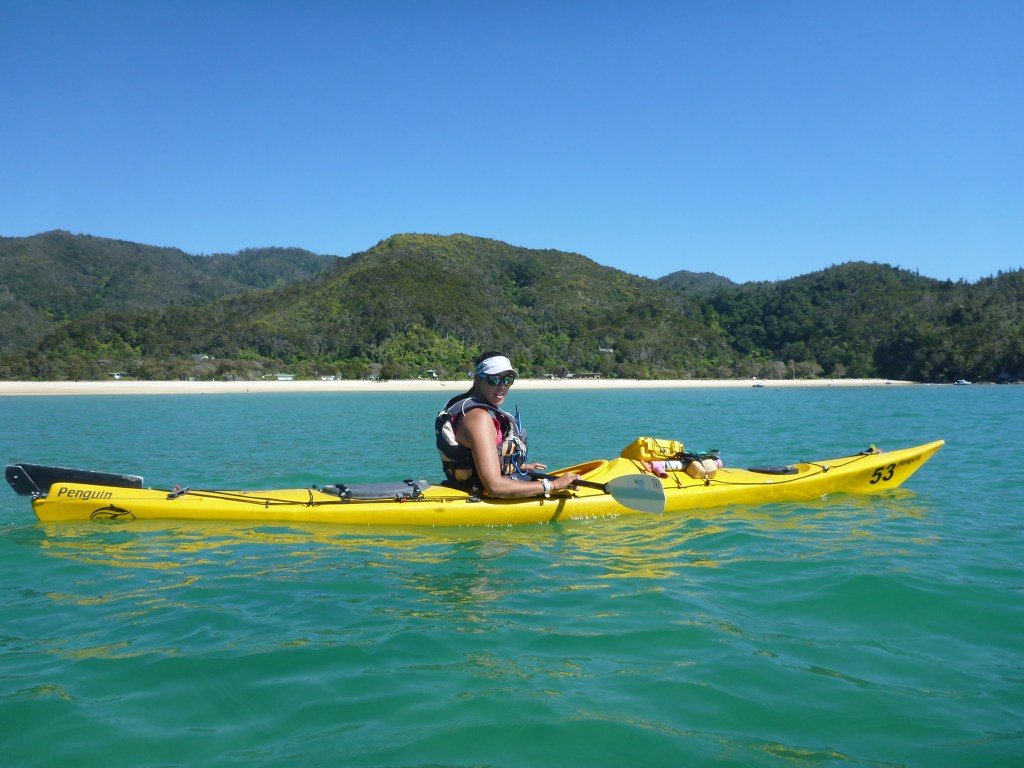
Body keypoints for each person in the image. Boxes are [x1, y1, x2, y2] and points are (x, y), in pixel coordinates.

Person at [435, 352, 581, 498]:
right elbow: (495, 487)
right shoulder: (479, 419)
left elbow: (472, 460)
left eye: (508, 380)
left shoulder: (468, 411)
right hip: (480, 493)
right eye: (494, 379)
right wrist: (553, 486)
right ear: (478, 379)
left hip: (465, 486)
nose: (502, 386)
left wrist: (516, 466)